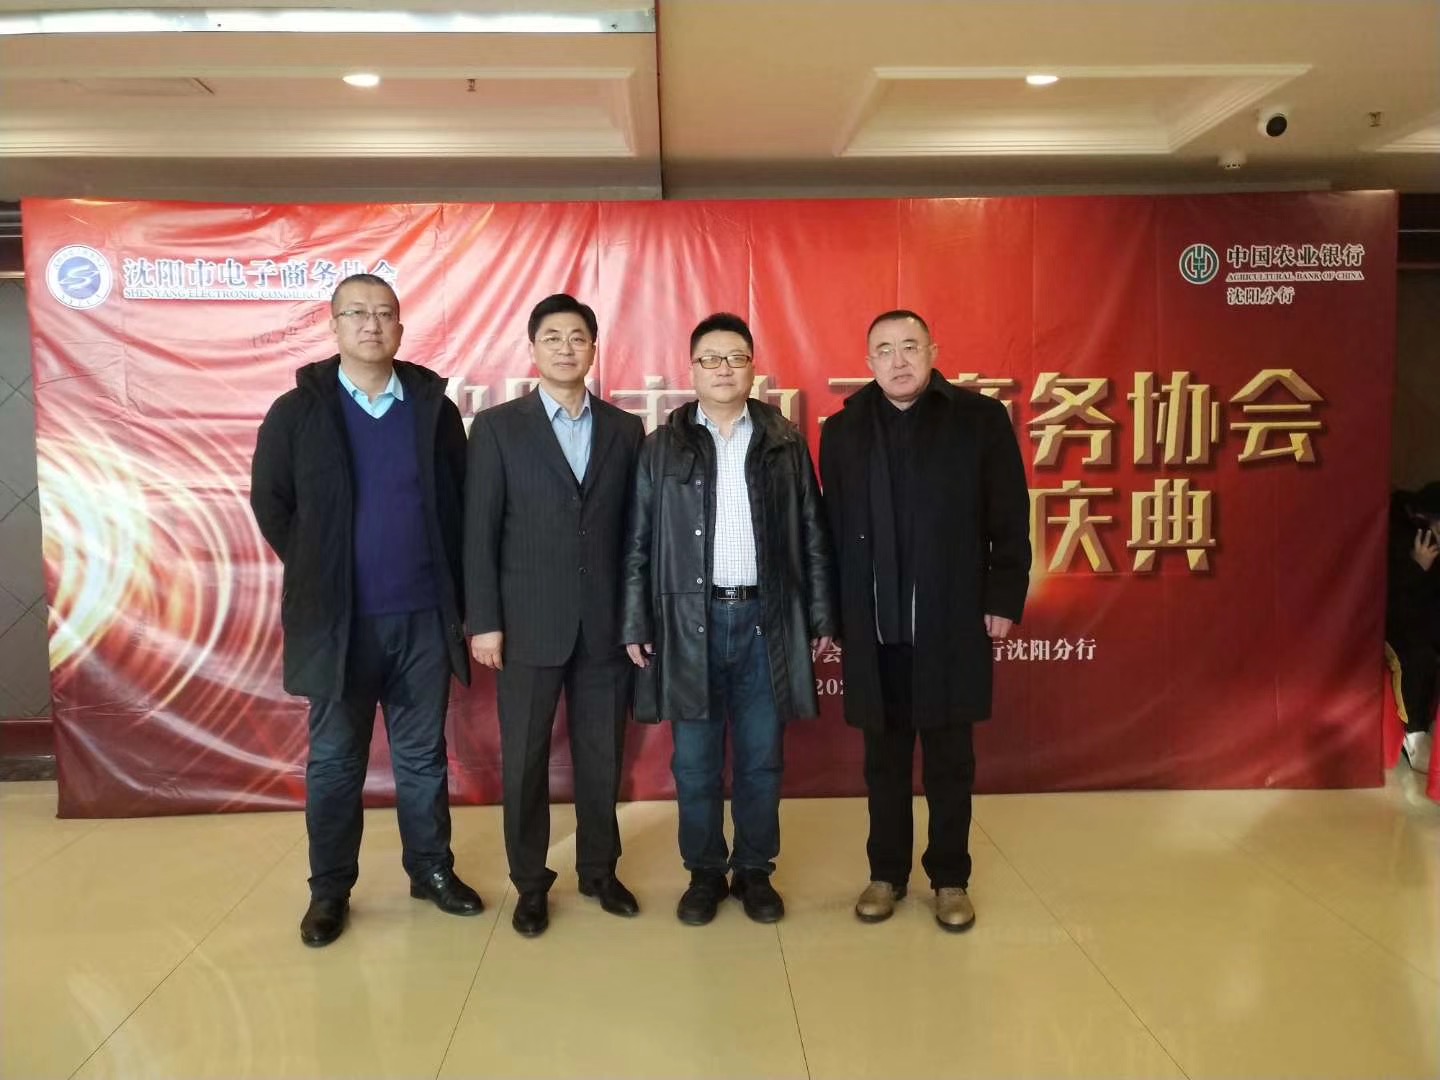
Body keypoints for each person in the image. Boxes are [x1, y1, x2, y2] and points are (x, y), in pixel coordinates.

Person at [250, 273, 481, 948]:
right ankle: (329, 891)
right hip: (339, 625)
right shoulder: (298, 412)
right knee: (335, 762)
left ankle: (430, 870)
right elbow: (271, 502)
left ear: (401, 327)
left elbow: (460, 503)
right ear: (334, 325)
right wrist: (318, 567)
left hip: (423, 620)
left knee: (422, 757)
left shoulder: (432, 409)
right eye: (357, 313)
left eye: (384, 314)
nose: (371, 325)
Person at [620, 312, 837, 926]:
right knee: (694, 762)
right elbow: (637, 542)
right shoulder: (661, 446)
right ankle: (704, 873)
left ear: (752, 368)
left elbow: (813, 533)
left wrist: (821, 615)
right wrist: (635, 621)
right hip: (690, 623)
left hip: (767, 622)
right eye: (710, 359)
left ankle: (755, 870)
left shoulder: (783, 441)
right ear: (691, 369)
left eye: (735, 358)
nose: (723, 369)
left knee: (762, 758)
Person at [818, 309, 1029, 932]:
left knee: (949, 761)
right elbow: (829, 534)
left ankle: (950, 878)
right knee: (882, 762)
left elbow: (1009, 516)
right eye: (884, 349)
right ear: (868, 362)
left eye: (910, 346)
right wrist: (830, 614)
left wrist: (1003, 597)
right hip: (874, 627)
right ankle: (885, 873)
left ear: (934, 351)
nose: (899, 360)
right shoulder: (844, 430)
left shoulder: (978, 420)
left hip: (950, 623)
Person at [464, 293, 645, 937]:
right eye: (553, 338)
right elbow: (478, 532)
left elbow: (636, 535)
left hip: (604, 627)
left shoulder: (625, 429)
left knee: (603, 756)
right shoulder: (497, 428)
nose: (566, 348)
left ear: (594, 349)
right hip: (526, 624)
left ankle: (599, 870)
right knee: (525, 760)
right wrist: (484, 620)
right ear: (533, 349)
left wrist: (636, 620)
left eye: (578, 338)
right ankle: (530, 882)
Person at [1385, 482, 1440, 773]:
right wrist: (1417, 566)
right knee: (1419, 657)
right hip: (1396, 624)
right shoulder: (1398, 534)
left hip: (1425, 618)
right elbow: (1392, 598)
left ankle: (1429, 726)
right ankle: (1415, 733)